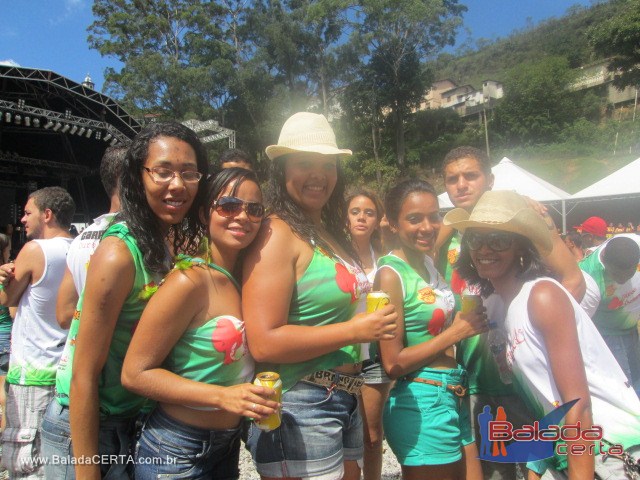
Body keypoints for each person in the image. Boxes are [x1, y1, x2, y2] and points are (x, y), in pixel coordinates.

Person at [40, 122, 208, 480]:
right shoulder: (119, 253)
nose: (177, 185)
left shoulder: (162, 244)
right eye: (162, 172)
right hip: (86, 429)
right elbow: (84, 374)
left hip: (128, 421)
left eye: (189, 173)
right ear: (136, 176)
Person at [242, 111, 398, 480]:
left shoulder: (323, 231)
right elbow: (263, 341)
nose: (318, 174)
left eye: (327, 165)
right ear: (281, 170)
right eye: (304, 163)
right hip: (302, 403)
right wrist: (357, 331)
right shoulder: (277, 233)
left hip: (343, 395)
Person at [446, 190, 640, 480]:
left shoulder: (542, 295)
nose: (485, 249)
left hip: (607, 450)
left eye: (499, 240)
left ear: (521, 248)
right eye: (476, 240)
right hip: (567, 452)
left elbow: (578, 404)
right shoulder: (500, 305)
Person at [436, 146, 585, 480]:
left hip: (524, 380)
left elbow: (573, 280)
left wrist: (536, 336)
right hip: (473, 378)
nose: (461, 185)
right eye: (452, 179)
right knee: (491, 470)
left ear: (490, 179)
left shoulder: (524, 219)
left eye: (470, 175)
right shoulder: (446, 233)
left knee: (540, 466)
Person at [122, 167, 278, 478]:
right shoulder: (189, 281)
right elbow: (135, 374)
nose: (243, 216)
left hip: (226, 445)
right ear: (206, 214)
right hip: (175, 448)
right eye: (229, 206)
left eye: (254, 209)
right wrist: (223, 396)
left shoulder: (247, 281)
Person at [375, 179, 486, 480]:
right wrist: (455, 334)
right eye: (414, 219)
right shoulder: (389, 275)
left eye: (433, 216)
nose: (428, 226)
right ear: (393, 224)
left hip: (452, 391)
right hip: (421, 401)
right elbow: (392, 362)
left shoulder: (427, 263)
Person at [0, 186, 75, 479]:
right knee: (57, 459)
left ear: (47, 214)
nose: (22, 219)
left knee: (27, 464)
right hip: (63, 371)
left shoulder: (35, 250)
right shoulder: (82, 248)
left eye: (27, 212)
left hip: (32, 371)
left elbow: (6, 302)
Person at [56, 146, 128, 329]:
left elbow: (64, 315)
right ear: (128, 178)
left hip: (83, 350)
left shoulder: (80, 239)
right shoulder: (140, 238)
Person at [345, 189, 390, 480]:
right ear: (345, 217)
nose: (362, 217)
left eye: (369, 212)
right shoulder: (332, 252)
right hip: (343, 351)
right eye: (355, 211)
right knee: (344, 431)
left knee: (372, 435)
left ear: (378, 220)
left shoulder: (384, 258)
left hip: (374, 353)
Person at [578, 234, 640, 394]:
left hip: (632, 331)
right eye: (618, 275)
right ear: (604, 259)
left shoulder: (634, 248)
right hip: (607, 337)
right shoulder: (587, 276)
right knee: (624, 387)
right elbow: (580, 322)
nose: (623, 280)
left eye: (629, 274)